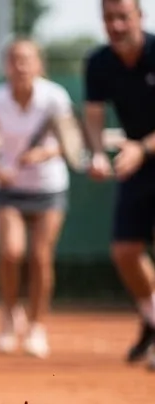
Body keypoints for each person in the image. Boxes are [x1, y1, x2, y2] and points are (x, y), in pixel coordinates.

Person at [0, 39, 76, 359]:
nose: (20, 66)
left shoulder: (55, 97)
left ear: (38, 64)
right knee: (10, 253)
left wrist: (45, 153)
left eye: (27, 59)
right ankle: (9, 317)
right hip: (10, 189)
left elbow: (71, 142)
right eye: (14, 60)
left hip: (49, 187)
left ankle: (36, 327)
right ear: (6, 66)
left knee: (41, 257)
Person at [84, 0, 155, 368]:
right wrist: (97, 153)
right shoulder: (99, 63)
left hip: (141, 152)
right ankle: (152, 317)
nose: (116, 25)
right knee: (125, 251)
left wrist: (142, 148)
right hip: (135, 161)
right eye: (109, 18)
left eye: (123, 17)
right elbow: (93, 115)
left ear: (140, 17)